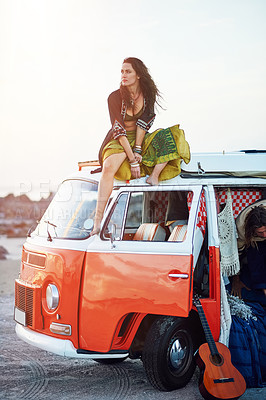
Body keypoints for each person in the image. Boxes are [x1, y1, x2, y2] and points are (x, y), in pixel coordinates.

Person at [90, 57, 190, 236]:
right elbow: (118, 129)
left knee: (172, 137)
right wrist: (133, 159)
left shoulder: (147, 96)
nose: (123, 75)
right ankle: (98, 221)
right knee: (108, 167)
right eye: (121, 71)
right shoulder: (114, 97)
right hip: (119, 139)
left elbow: (143, 125)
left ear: (138, 75)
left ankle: (154, 176)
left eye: (128, 71)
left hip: (139, 138)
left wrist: (138, 149)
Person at [231, 202, 266, 306]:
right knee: (256, 256)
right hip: (252, 243)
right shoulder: (241, 228)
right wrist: (235, 279)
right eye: (260, 232)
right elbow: (234, 255)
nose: (264, 235)